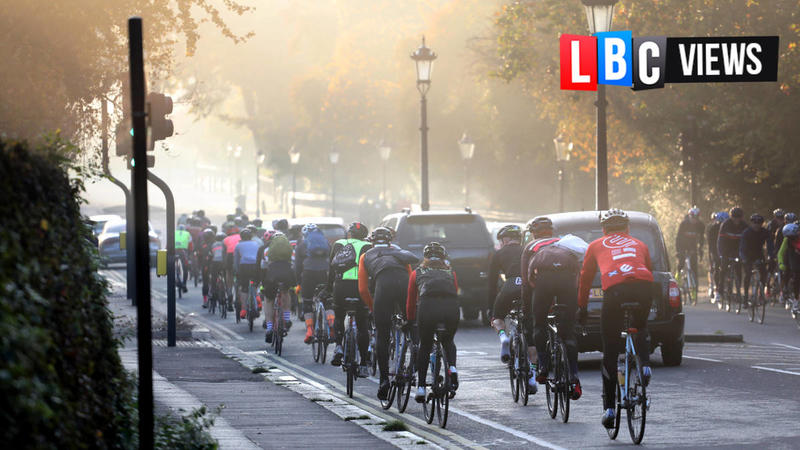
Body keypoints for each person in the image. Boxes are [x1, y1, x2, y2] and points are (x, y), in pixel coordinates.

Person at [578, 209, 654, 429]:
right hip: (643, 287)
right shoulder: (640, 244)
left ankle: (610, 409)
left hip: (616, 291)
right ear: (627, 228)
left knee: (610, 350)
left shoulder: (595, 245)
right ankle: (646, 365)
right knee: (639, 326)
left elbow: (585, 279)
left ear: (604, 229)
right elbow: (648, 269)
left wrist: (582, 308)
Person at [523, 217, 581, 399]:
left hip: (544, 283)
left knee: (539, 324)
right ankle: (574, 376)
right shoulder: (564, 243)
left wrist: (529, 310)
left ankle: (543, 366)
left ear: (534, 233)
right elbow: (577, 276)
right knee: (568, 331)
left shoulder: (530, 247)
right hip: (567, 281)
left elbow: (526, 281)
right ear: (552, 232)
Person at [358, 227, 419, 400]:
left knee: (382, 334)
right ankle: (414, 360)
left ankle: (384, 380)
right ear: (390, 241)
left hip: (383, 289)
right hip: (403, 284)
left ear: (371, 242)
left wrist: (373, 307)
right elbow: (410, 278)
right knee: (412, 324)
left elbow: (363, 289)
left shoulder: (366, 256)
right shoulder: (399, 253)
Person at [407, 242, 460, 403]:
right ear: (444, 258)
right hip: (450, 309)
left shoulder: (417, 272)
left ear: (425, 257)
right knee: (448, 340)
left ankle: (421, 388)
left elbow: (410, 302)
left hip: (428, 309)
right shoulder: (451, 272)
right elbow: (455, 292)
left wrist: (410, 320)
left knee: (425, 345)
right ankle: (452, 367)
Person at [329, 222, 373, 377]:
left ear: (349, 234)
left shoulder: (339, 244)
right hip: (360, 288)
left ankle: (339, 346)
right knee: (362, 325)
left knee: (339, 315)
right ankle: (362, 365)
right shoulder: (368, 246)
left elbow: (331, 270)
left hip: (340, 286)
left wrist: (328, 289)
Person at [488, 225, 524, 361]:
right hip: (527, 288)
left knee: (497, 318)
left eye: (502, 240)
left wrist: (491, 308)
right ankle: (532, 370)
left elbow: (491, 283)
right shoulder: (527, 250)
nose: (501, 243)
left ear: (506, 239)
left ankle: (503, 337)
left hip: (509, 286)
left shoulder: (499, 254)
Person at [295, 224, 331, 344]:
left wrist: (298, 282)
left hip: (308, 273)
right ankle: (331, 328)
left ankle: (310, 330)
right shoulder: (326, 242)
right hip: (323, 273)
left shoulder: (301, 245)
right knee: (327, 301)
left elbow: (297, 267)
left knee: (307, 301)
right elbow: (332, 261)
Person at [260, 232, 297, 343]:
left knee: (269, 300)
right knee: (286, 292)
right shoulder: (291, 249)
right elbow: (294, 264)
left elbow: (263, 266)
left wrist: (263, 281)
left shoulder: (267, 250)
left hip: (272, 275)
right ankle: (286, 318)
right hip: (287, 274)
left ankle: (270, 328)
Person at [717, 207, 748, 302]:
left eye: (738, 217)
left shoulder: (744, 226)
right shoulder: (725, 225)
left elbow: (747, 241)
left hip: (738, 249)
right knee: (723, 268)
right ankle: (720, 290)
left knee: (739, 269)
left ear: (741, 217)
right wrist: (721, 254)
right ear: (731, 217)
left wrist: (745, 253)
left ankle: (738, 290)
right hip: (726, 248)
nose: (736, 219)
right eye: (734, 217)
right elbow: (720, 241)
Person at [740, 214, 770, 305]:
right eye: (754, 223)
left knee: (764, 273)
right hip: (747, 254)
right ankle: (745, 297)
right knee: (748, 274)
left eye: (759, 223)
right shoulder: (746, 232)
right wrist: (744, 258)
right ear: (751, 223)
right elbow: (742, 247)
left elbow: (770, 245)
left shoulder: (765, 232)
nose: (757, 225)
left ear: (762, 224)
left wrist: (771, 256)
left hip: (759, 254)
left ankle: (761, 294)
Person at [233, 228, 260, 319]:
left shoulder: (238, 245)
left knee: (244, 288)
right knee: (255, 284)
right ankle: (257, 298)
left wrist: (236, 271)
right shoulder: (256, 244)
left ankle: (243, 310)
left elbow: (236, 261)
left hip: (244, 266)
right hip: (255, 266)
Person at [675, 206, 705, 285]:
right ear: (689, 216)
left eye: (696, 218)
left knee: (694, 267)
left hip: (692, 246)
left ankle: (694, 288)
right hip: (682, 245)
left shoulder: (701, 225)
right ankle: (677, 276)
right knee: (681, 262)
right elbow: (678, 238)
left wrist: (700, 249)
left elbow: (701, 239)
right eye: (692, 217)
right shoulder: (684, 224)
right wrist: (678, 251)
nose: (694, 220)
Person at [706, 211, 727, 301]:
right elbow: (710, 244)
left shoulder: (728, 227)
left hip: (725, 250)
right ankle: (716, 287)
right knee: (716, 267)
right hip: (715, 250)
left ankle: (727, 286)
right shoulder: (713, 228)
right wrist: (713, 254)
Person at [210, 232, 229, 310]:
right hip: (224, 263)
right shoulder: (226, 244)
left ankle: (213, 291)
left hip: (215, 263)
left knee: (213, 277)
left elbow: (211, 254)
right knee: (226, 278)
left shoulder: (213, 244)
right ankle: (227, 291)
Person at [198, 228, 215, 308]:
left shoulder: (202, 245)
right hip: (216, 265)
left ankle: (205, 300)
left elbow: (199, 256)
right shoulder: (215, 244)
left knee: (205, 283)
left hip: (205, 265)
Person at [174, 224, 193, 293]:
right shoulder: (187, 234)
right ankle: (184, 283)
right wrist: (190, 254)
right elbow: (190, 246)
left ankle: (174, 279)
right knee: (185, 267)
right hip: (183, 251)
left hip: (174, 251)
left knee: (170, 265)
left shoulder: (173, 233)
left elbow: (168, 244)